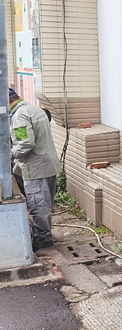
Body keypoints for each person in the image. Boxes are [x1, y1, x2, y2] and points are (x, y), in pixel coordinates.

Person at [9, 88, 60, 251]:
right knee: (45, 203)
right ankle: (46, 234)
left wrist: (8, 155)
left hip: (34, 167)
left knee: (38, 204)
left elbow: (25, 144)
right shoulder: (35, 109)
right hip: (48, 164)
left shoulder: (19, 116)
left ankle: (43, 239)